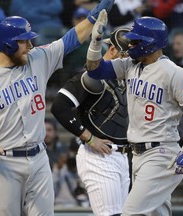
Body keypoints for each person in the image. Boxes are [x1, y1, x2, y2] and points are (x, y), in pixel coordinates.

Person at [0, 0, 115, 215]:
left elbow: (71, 39)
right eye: (23, 41)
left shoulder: (37, 58)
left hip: (39, 159)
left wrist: (95, 14)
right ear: (7, 44)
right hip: (4, 163)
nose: (30, 45)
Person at [86, 13, 183, 215]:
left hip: (161, 155)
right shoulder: (129, 65)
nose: (129, 45)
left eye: (135, 41)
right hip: (137, 154)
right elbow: (95, 71)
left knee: (131, 213)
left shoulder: (174, 72)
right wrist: (95, 42)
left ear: (150, 43)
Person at [51, 27, 131, 216]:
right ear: (111, 50)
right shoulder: (90, 76)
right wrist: (88, 138)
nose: (131, 60)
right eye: (126, 54)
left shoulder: (127, 77)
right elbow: (59, 107)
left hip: (123, 156)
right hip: (98, 157)